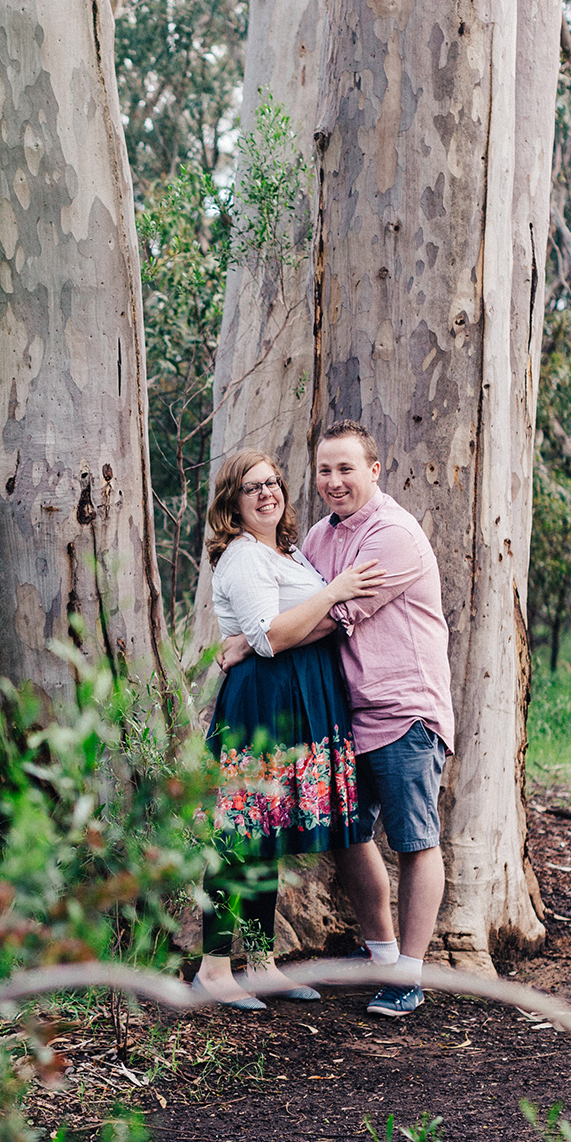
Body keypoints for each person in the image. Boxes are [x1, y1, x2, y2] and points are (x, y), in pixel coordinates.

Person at [225, 421, 454, 1017]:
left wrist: (255, 643)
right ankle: (380, 954)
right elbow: (288, 604)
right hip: (344, 715)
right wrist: (262, 634)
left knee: (415, 838)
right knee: (352, 836)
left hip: (404, 711)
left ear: (374, 470)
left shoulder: (394, 535)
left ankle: (409, 972)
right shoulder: (320, 539)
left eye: (346, 468)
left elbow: (327, 618)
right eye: (324, 470)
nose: (333, 481)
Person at [198, 448, 385, 1010]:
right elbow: (269, 636)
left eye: (272, 483)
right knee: (240, 835)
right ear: (232, 502)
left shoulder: (286, 553)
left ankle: (259, 965)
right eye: (251, 487)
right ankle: (213, 969)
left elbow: (288, 628)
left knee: (268, 834)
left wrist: (327, 595)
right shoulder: (244, 556)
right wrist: (336, 590)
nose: (266, 494)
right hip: (262, 702)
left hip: (293, 699)